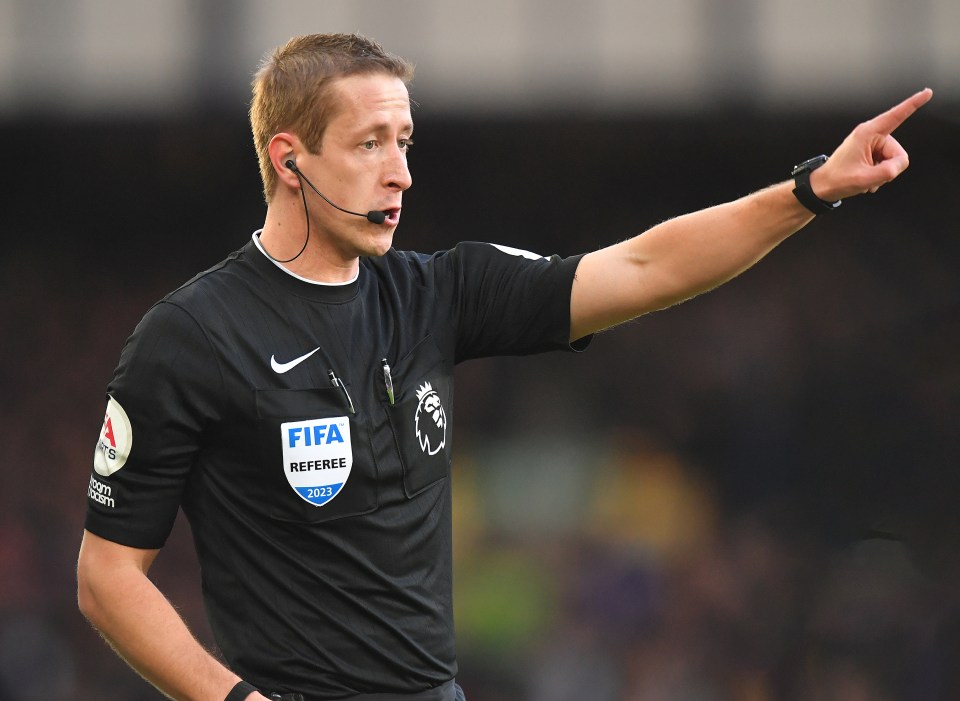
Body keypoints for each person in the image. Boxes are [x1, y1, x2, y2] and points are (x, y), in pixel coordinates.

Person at [76, 32, 932, 701]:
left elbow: (643, 268)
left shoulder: (439, 292)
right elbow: (108, 573)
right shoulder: (189, 336)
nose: (401, 172)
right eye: (371, 143)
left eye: (405, 140)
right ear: (289, 157)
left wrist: (812, 190)